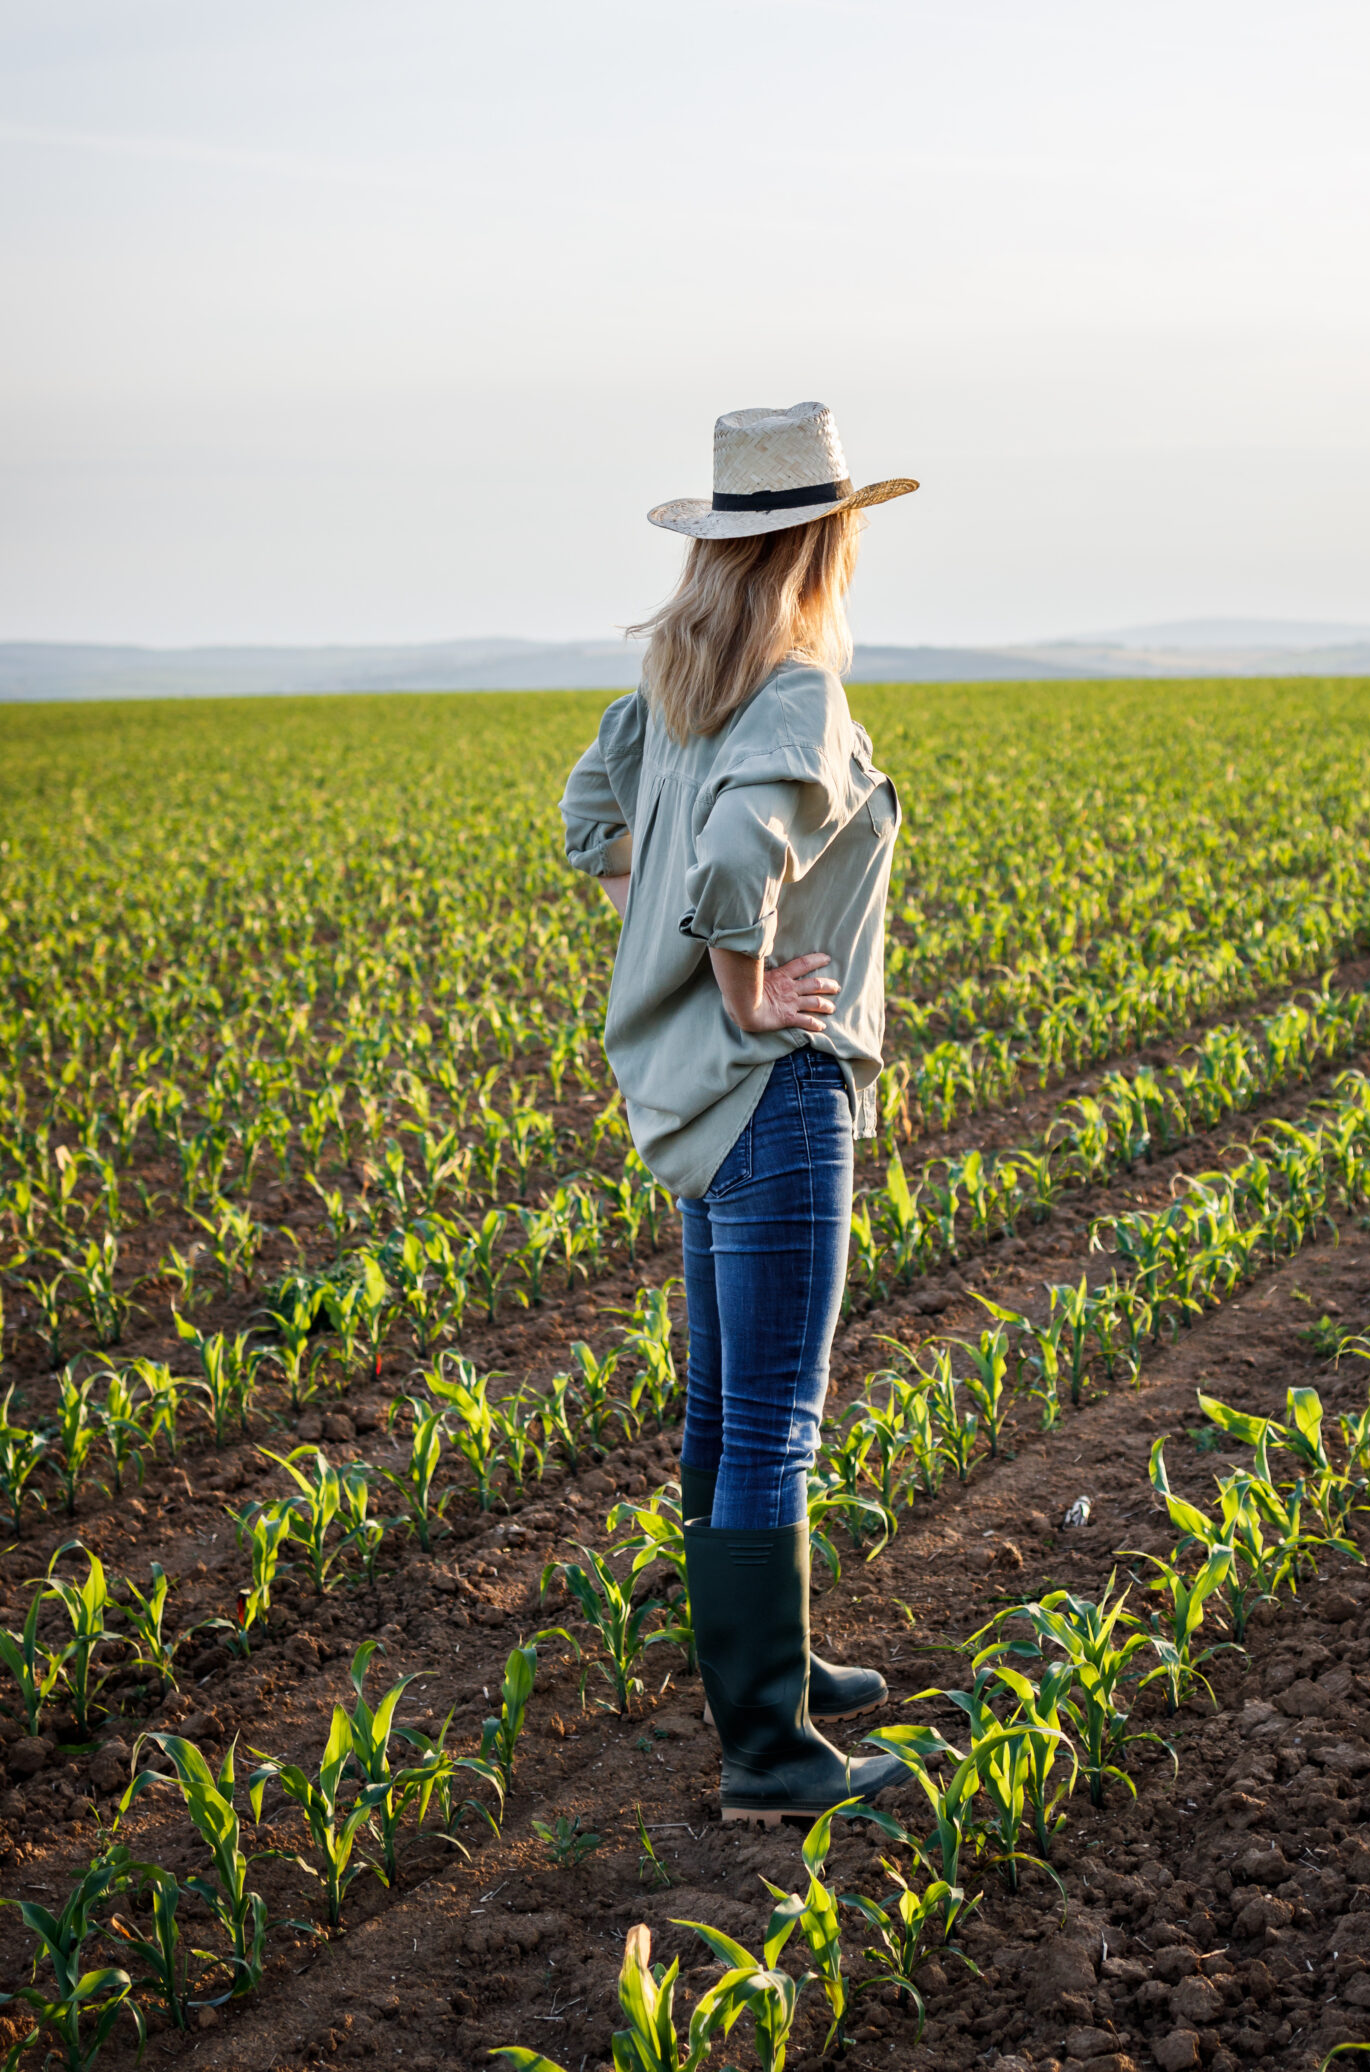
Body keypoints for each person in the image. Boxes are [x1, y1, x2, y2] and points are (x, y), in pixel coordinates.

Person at [559, 400, 918, 1824]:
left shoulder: (676, 689)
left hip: (692, 1095)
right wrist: (748, 987)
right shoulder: (799, 693)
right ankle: (769, 1748)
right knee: (776, 1416)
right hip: (772, 1088)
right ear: (824, 542)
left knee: (727, 1402)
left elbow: (597, 825)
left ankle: (766, 1666)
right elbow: (732, 864)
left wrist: (666, 938)